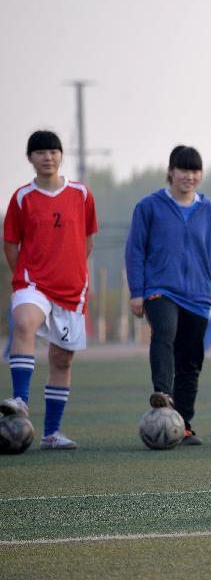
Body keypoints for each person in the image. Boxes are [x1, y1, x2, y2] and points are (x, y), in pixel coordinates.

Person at [125, 145, 211, 445]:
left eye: (194, 170)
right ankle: (162, 392)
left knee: (191, 360)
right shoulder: (149, 207)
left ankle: (183, 424)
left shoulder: (210, 211)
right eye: (183, 169)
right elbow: (135, 249)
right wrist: (138, 292)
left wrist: (206, 268)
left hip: (197, 294)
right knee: (165, 333)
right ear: (170, 172)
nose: (189, 176)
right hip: (160, 289)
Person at [0, 130, 98, 449]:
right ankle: (20, 399)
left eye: (53, 151)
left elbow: (87, 241)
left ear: (61, 155)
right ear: (30, 158)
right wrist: (25, 276)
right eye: (40, 152)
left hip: (72, 289)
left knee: (62, 361)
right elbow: (11, 243)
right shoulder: (21, 197)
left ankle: (51, 434)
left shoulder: (81, 194)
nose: (48, 157)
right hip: (32, 282)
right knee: (24, 322)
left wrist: (70, 268)